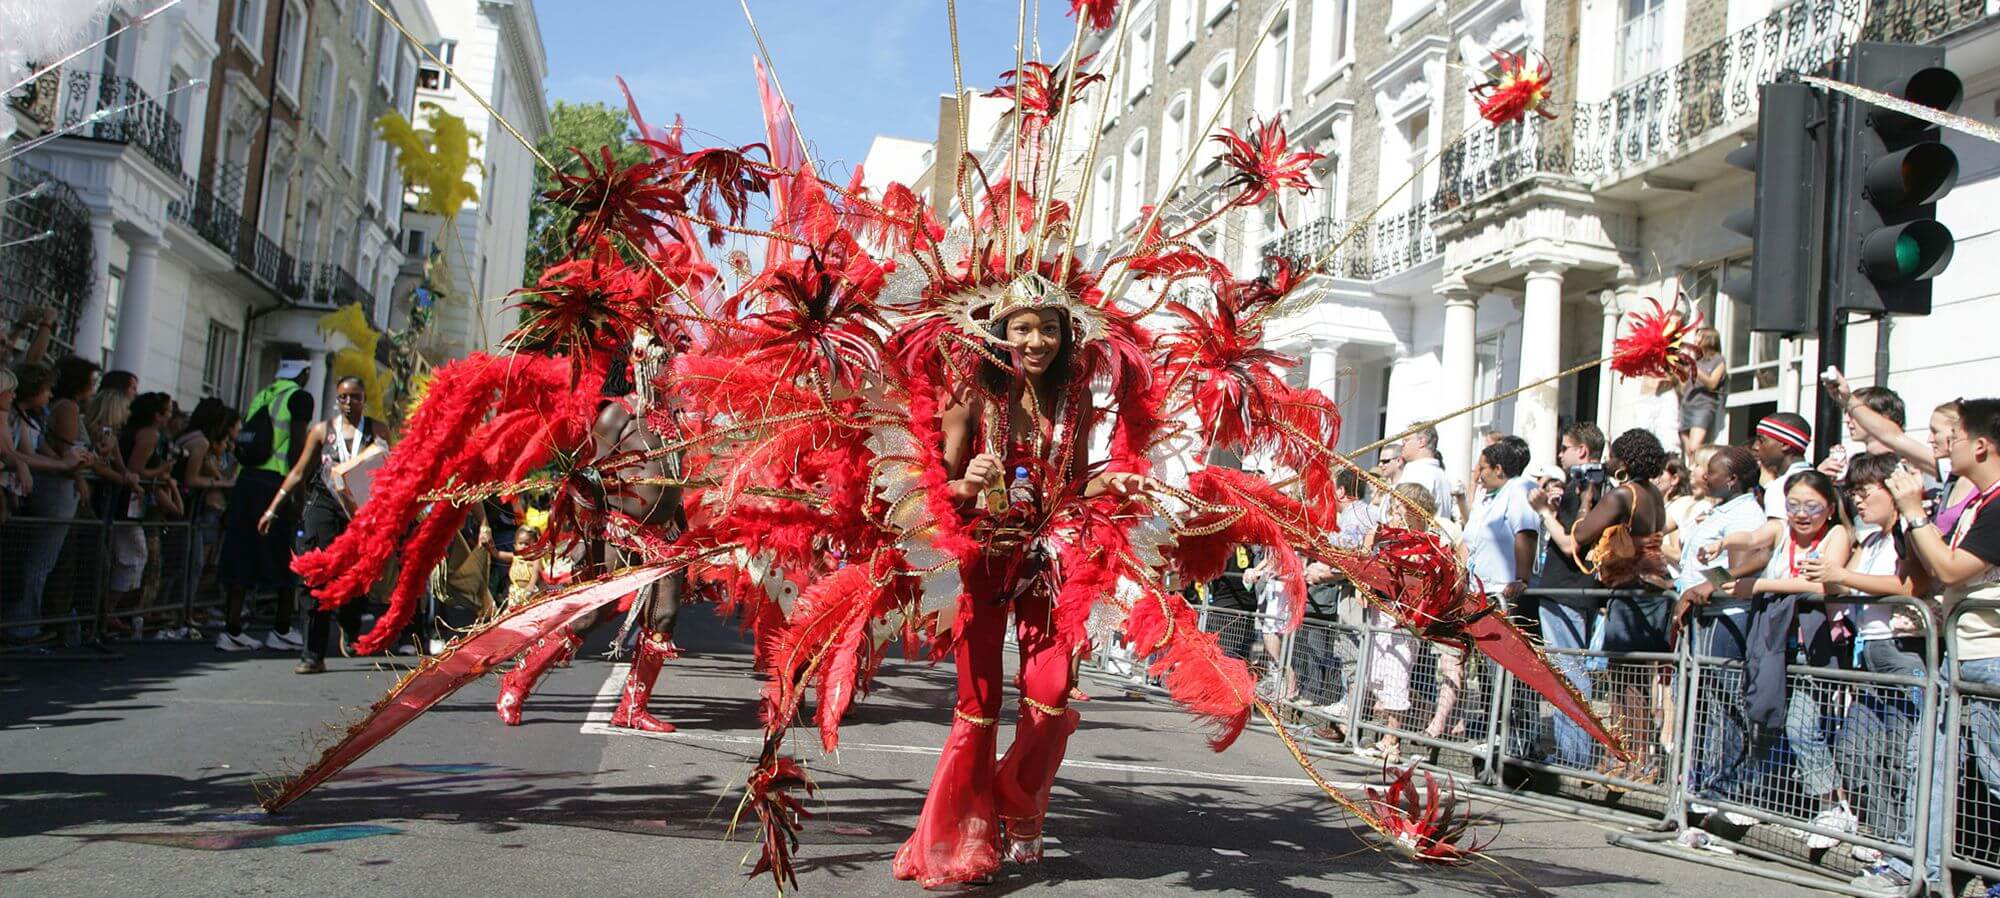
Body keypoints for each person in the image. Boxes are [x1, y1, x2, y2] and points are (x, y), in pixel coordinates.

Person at [894, 300, 1155, 885]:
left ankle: (1020, 805)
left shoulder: (1076, 400)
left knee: (1052, 687)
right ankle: (963, 838)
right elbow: (933, 486)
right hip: (981, 560)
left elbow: (1078, 482)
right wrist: (969, 482)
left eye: (1050, 329)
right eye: (1023, 329)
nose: (1038, 341)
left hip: (1048, 556)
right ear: (1000, 333)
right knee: (979, 702)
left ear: (1067, 336)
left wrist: (1114, 479)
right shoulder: (972, 395)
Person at [493, 331, 689, 731]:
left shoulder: (673, 420)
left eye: (670, 362)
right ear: (639, 365)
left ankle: (631, 709)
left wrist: (680, 524)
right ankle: (519, 680)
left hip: (663, 536)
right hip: (618, 530)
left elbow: (673, 480)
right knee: (592, 615)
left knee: (664, 615)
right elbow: (587, 474)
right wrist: (589, 533)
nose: (669, 369)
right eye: (662, 361)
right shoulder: (618, 413)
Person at [1876, 398, 2000, 891]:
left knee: (1995, 774)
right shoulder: (1973, 501)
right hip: (1960, 655)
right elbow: (1928, 573)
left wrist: (1912, 511)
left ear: (1981, 444)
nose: (1942, 444)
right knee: (1931, 766)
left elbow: (1950, 569)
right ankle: (1919, 870)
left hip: (1990, 655)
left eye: (1952, 436)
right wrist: (1911, 519)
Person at [1815, 453, 1934, 880]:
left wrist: (1842, 575)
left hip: (1906, 656)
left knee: (1907, 760)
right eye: (1854, 496)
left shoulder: (1906, 534)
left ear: (1891, 490)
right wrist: (1829, 572)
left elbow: (1910, 585)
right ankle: (1886, 843)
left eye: (1865, 494)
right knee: (1854, 751)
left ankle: (1909, 853)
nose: (1860, 503)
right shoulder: (1870, 540)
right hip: (1871, 656)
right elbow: (1841, 584)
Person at [1721, 469, 1854, 847]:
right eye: (1793, 505)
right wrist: (1720, 544)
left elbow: (1821, 585)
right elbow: (1751, 537)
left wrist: (1758, 585)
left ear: (1829, 508)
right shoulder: (1781, 531)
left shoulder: (1836, 536)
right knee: (1764, 720)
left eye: (1811, 506)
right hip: (1773, 647)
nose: (1801, 513)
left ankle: (1833, 804)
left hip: (1814, 647)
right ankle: (1758, 797)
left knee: (1802, 726)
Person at [258, 376, 390, 669]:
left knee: (355, 577)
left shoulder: (376, 430)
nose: (348, 403)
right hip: (324, 504)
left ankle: (350, 622)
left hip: (360, 510)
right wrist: (273, 508)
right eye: (343, 397)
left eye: (354, 397)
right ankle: (312, 653)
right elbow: (298, 472)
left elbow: (389, 469)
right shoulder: (322, 431)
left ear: (364, 400)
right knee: (316, 574)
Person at [1671, 445, 1776, 801]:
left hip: (1724, 617)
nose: (1704, 476)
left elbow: (1753, 560)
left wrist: (1705, 585)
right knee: (1700, 702)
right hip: (1703, 614)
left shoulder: (1746, 513)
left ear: (1731, 479)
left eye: (1712, 471)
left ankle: (1724, 786)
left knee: (1722, 705)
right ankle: (1698, 781)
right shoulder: (1722, 510)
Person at [216, 355, 314, 652]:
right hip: (276, 485)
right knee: (286, 554)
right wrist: (299, 492)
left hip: (247, 482)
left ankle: (231, 629)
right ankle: (281, 628)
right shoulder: (299, 397)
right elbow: (297, 446)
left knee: (241, 551)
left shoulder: (263, 394)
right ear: (305, 374)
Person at [1448, 435, 1538, 744]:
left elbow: (1525, 534)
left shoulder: (1518, 492)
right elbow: (1469, 541)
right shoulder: (1487, 498)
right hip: (1479, 596)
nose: (1478, 474)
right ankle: (1494, 730)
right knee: (1486, 671)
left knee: (1509, 671)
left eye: (1483, 468)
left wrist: (1522, 578)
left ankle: (1518, 736)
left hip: (1505, 596)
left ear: (1499, 469)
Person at [1530, 423, 1610, 766]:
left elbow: (1570, 542)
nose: (1560, 454)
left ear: (1582, 451)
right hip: (1563, 591)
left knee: (1569, 673)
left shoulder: (1591, 487)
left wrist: (1545, 512)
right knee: (1564, 672)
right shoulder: (1584, 486)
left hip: (1569, 591)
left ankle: (1574, 755)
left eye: (1564, 447)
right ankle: (1571, 751)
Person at [4, 357, 96, 645]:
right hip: (32, 495)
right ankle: (21, 625)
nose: (50, 394)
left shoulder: (26, 417)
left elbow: (34, 452)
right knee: (38, 562)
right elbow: (17, 454)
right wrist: (65, 466)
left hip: (18, 495)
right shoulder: (12, 416)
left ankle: (26, 623)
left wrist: (69, 464)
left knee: (35, 563)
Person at [109, 392, 183, 632]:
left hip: (129, 504)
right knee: (134, 557)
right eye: (167, 412)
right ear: (156, 415)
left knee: (132, 558)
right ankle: (112, 612)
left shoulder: (134, 431)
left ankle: (118, 612)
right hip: (128, 505)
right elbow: (136, 470)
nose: (170, 417)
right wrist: (162, 470)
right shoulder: (149, 434)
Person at [175, 399, 238, 626]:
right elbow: (191, 479)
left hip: (188, 508)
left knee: (191, 563)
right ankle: (184, 614)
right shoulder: (200, 442)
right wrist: (218, 483)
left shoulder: (188, 436)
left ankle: (183, 612)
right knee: (194, 564)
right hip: (193, 509)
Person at [1398, 425, 1460, 524]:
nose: (1403, 445)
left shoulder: (1417, 471)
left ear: (1421, 442)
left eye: (1406, 440)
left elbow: (1406, 517)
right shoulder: (1441, 474)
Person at [1680, 327, 1726, 458]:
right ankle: (1692, 473)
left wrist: (1694, 369)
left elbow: (1712, 383)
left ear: (1709, 339)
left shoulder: (1718, 360)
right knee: (1688, 450)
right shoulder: (1697, 361)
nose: (1695, 339)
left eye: (1699, 336)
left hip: (1703, 405)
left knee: (1695, 447)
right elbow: (1685, 385)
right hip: (1687, 405)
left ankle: (1701, 470)